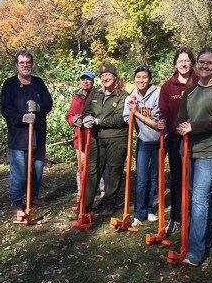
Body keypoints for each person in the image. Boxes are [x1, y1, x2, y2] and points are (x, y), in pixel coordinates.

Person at [176, 47, 212, 267]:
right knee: (192, 197)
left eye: (209, 63)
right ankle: (202, 236)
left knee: (199, 198)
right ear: (196, 64)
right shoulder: (190, 91)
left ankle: (196, 251)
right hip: (188, 150)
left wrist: (194, 127)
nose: (204, 66)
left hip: (209, 150)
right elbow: (181, 117)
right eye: (201, 62)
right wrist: (181, 127)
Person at [0, 50, 53, 212]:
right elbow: (6, 109)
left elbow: (48, 103)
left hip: (38, 135)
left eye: (28, 62)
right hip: (19, 137)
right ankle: (16, 200)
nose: (25, 65)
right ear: (17, 65)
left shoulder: (38, 83)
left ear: (32, 64)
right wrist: (22, 117)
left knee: (37, 169)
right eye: (22, 62)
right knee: (20, 172)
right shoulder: (9, 85)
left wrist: (38, 107)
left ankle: (33, 197)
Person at [159, 47, 199, 235]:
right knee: (176, 179)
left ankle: (192, 217)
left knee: (193, 180)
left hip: (196, 138)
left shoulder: (199, 82)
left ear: (192, 63)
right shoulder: (168, 86)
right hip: (176, 139)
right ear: (175, 63)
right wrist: (163, 122)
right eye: (180, 60)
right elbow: (164, 111)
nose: (183, 64)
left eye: (187, 60)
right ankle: (176, 217)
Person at [81, 61, 128, 213]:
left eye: (108, 74)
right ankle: (85, 204)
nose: (105, 78)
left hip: (117, 138)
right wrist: (86, 119)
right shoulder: (95, 93)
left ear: (115, 77)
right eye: (102, 75)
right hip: (96, 138)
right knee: (93, 170)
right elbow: (86, 110)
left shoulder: (123, 95)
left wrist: (98, 121)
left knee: (114, 170)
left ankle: (108, 203)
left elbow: (120, 118)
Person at [123, 65, 165, 227]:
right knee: (141, 177)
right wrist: (130, 113)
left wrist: (137, 112)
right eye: (138, 77)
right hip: (143, 141)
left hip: (159, 141)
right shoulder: (131, 96)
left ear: (149, 79)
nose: (141, 80)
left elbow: (157, 124)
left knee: (154, 177)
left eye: (144, 77)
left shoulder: (157, 95)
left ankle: (149, 209)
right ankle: (139, 212)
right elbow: (127, 118)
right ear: (134, 78)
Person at [65, 71, 106, 204]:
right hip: (80, 138)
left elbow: (102, 114)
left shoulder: (99, 95)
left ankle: (103, 192)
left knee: (98, 164)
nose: (85, 82)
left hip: (96, 136)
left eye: (88, 79)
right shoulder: (76, 97)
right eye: (83, 79)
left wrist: (93, 120)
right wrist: (73, 120)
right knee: (82, 166)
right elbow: (69, 116)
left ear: (93, 81)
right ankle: (81, 192)